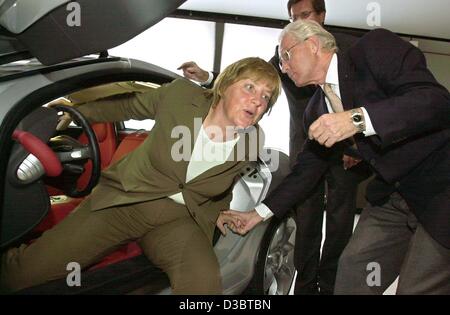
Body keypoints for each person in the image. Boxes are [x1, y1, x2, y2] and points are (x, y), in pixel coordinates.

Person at [0, 57, 281, 294]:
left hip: (179, 221)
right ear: (224, 86)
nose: (257, 101)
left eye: (265, 97)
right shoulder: (181, 96)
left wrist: (218, 211)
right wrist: (75, 113)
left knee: (204, 286)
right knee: (26, 273)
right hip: (126, 203)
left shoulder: (253, 139)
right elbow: (128, 106)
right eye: (249, 87)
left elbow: (226, 183)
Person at [227, 20, 450, 294]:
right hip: (392, 196)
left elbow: (435, 101)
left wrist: (357, 119)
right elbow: (305, 172)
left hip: (441, 188)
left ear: (312, 45)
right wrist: (257, 214)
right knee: (353, 270)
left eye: (286, 56)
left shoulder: (373, 49)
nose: (283, 67)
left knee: (416, 287)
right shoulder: (315, 110)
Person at [178, 0, 368, 295]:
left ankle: (328, 285)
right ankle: (305, 286)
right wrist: (208, 78)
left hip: (348, 151)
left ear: (322, 16)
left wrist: (361, 147)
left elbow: (378, 104)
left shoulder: (353, 51)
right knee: (306, 221)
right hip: (309, 151)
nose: (297, 22)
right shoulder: (286, 57)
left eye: (305, 16)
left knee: (340, 222)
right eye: (293, 18)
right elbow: (249, 80)